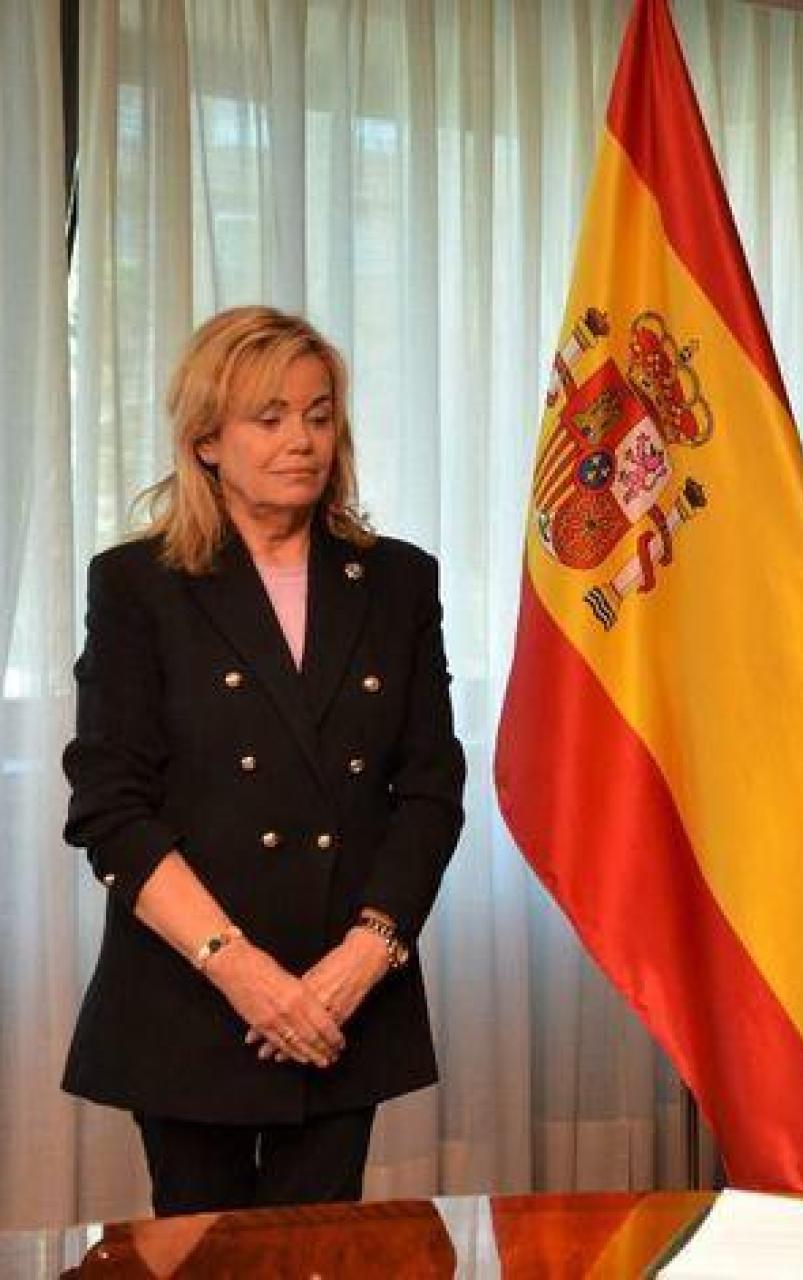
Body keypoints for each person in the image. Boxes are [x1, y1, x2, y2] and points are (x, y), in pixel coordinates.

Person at [62, 306, 466, 1216]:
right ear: (207, 440)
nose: (303, 441)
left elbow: (431, 789)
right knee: (201, 1259)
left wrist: (369, 955)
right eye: (270, 418)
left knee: (324, 1258)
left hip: (341, 995)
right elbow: (110, 807)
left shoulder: (399, 580)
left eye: (319, 416)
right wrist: (240, 972)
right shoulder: (137, 585)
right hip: (191, 993)